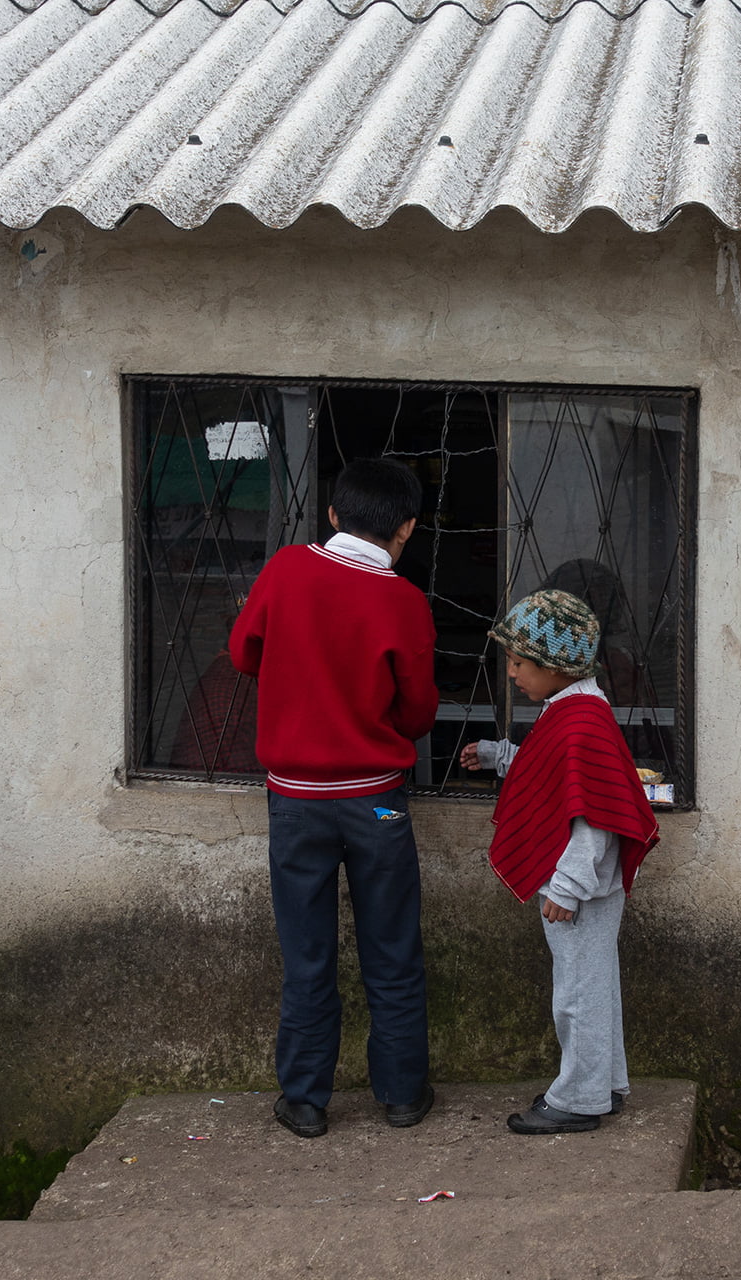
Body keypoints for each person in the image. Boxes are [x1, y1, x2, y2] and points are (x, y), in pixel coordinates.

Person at [229, 457, 440, 1139]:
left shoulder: (286, 570)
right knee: (392, 948)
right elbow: (418, 714)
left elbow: (243, 653)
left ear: (331, 515)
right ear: (407, 528)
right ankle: (403, 1095)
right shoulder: (403, 601)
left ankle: (307, 1100)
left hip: (295, 802)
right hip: (375, 801)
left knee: (309, 954)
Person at [457, 589, 659, 1135]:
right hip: (585, 885)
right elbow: (557, 777)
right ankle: (606, 1085)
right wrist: (502, 757)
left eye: (521, 664)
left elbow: (595, 821)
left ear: (557, 666)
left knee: (577, 992)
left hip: (581, 887)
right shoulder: (571, 711)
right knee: (595, 984)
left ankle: (578, 1098)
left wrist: (565, 888)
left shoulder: (581, 722)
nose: (514, 674)